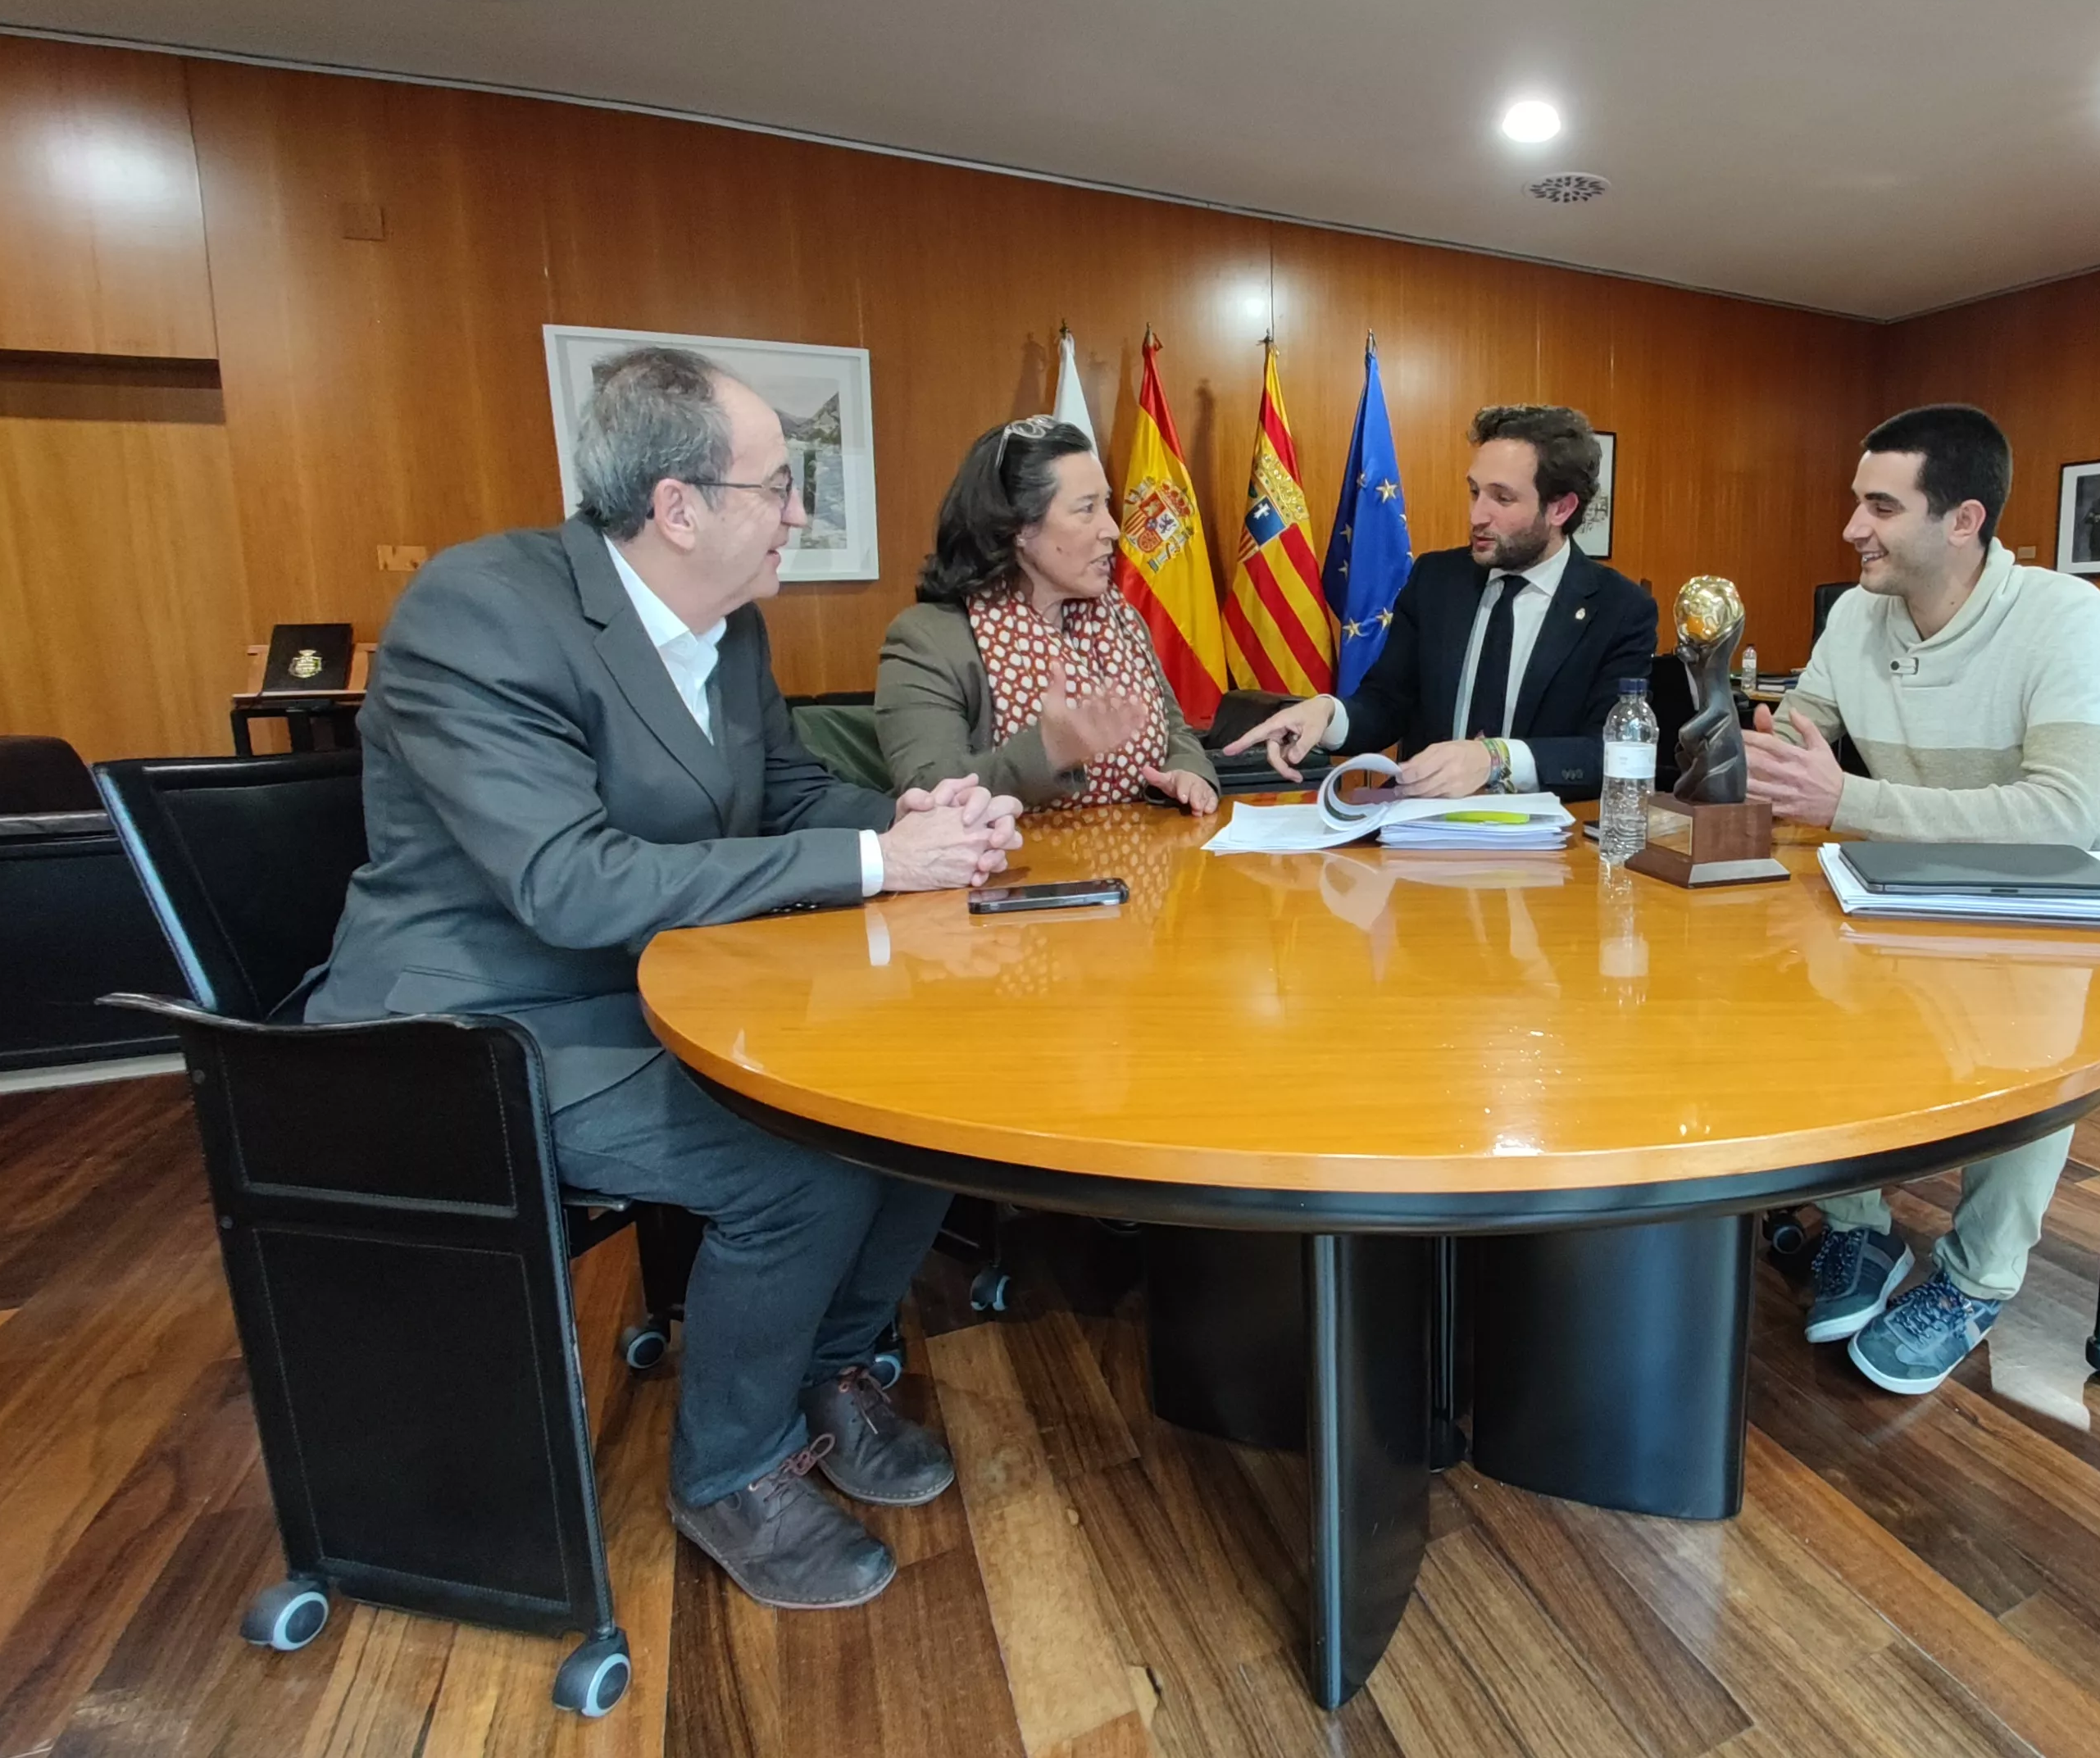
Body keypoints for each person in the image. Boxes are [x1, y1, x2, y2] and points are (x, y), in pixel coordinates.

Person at [307, 347, 1024, 1611]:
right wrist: (878, 857)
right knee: (794, 1160)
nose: (800, 513)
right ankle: (731, 1472)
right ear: (678, 506)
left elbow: (795, 796)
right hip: (483, 1021)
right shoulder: (478, 612)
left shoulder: (729, 629)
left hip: (669, 985)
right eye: (779, 487)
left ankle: (834, 1366)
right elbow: (570, 885)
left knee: (926, 1101)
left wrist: (928, 817)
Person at [1740, 402, 2100, 1397]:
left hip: (2053, 892)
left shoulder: (2066, 615)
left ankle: (1975, 1280)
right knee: (1792, 983)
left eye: (1878, 506)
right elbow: (1805, 727)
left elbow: (2066, 813)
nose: (1850, 529)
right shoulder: (1853, 613)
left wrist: (1846, 795)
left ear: (1962, 520)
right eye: (1854, 503)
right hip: (1903, 877)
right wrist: (1766, 741)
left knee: (2034, 1039)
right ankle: (1863, 1229)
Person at [1225, 403, 1656, 797]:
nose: (1477, 516)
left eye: (1502, 498)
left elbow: (1610, 753)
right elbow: (1386, 704)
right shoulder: (1436, 579)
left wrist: (1494, 758)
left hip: (1550, 855)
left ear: (1560, 509)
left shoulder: (1619, 609)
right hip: (1423, 840)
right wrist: (1325, 715)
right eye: (1475, 492)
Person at [875, 416, 1220, 815]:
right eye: (1086, 509)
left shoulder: (1122, 619)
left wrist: (1188, 771)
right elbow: (930, 791)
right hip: (1007, 868)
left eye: (1105, 504)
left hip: (1146, 863)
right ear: (1020, 527)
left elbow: (1175, 731)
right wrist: (1049, 751)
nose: (1112, 529)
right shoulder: (928, 639)